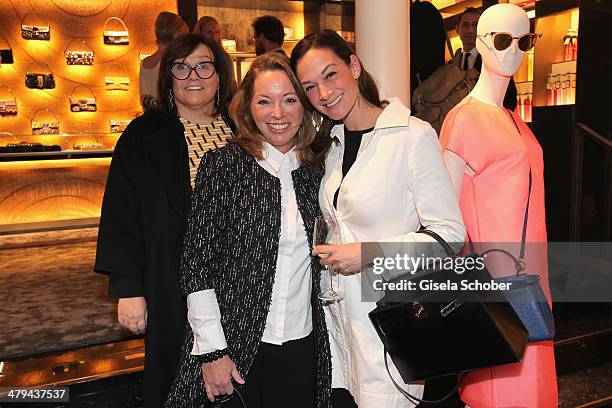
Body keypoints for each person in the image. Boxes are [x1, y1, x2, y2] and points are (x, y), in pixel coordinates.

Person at [290, 30, 465, 408]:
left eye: (330, 75)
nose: (323, 93)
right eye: (310, 86)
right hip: (339, 323)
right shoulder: (331, 144)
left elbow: (449, 236)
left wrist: (372, 251)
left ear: (354, 66)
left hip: (392, 319)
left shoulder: (411, 135)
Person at [164, 53, 332, 408]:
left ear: (304, 106)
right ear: (247, 108)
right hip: (235, 348)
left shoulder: (316, 171)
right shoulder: (225, 166)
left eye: (289, 100)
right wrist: (212, 353)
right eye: (264, 101)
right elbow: (196, 265)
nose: (278, 113)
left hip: (304, 344)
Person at [94, 33, 236, 408]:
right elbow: (122, 212)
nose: (194, 75)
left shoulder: (242, 131)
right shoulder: (144, 134)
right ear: (169, 76)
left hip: (239, 282)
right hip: (170, 282)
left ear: (220, 74)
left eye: (205, 65)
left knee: (237, 379)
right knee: (179, 382)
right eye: (182, 66)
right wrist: (128, 288)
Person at [441, 4, 558, 407]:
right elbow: (445, 221)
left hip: (530, 279)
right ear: (480, 41)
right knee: (501, 390)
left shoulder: (516, 120)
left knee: (534, 383)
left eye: (525, 41)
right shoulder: (463, 120)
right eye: (504, 40)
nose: (515, 51)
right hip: (494, 284)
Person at [451, 7, 518, 111]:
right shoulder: (452, 64)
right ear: (457, 29)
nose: (470, 30)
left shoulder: (495, 60)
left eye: (475, 25)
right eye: (465, 25)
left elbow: (509, 99)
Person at [139, 12, 189, 108]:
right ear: (174, 33)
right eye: (182, 35)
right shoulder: (173, 60)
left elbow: (143, 98)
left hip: (149, 117)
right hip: (168, 116)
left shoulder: (145, 62)